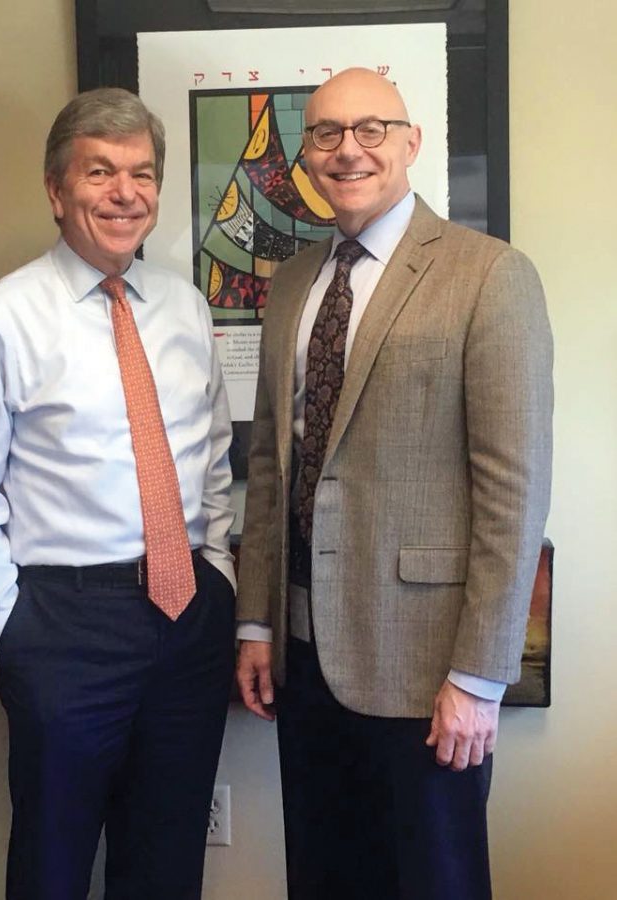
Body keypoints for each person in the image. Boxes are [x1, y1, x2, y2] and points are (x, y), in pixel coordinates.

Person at [236, 68, 553, 900]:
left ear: (412, 143)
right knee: (325, 875)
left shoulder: (490, 275)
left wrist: (480, 678)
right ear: (305, 155)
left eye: (371, 129)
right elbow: (274, 468)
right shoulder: (294, 285)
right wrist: (258, 621)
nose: (349, 150)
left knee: (431, 881)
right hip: (304, 657)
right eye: (327, 134)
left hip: (425, 665)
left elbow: (511, 492)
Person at [0, 87, 236, 900]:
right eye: (100, 171)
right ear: (56, 189)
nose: (124, 193)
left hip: (186, 623)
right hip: (63, 629)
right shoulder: (3, 318)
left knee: (168, 859)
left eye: (141, 174)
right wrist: (9, 636)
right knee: (52, 862)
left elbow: (212, 453)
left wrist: (218, 574)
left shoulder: (183, 304)